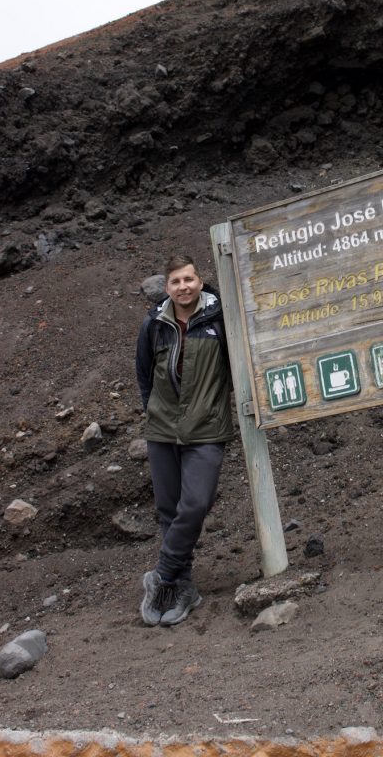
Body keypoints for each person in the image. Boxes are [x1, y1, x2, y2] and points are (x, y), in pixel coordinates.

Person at [135, 254, 232, 626]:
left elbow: (233, 364)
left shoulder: (218, 317)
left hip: (206, 428)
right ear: (167, 286)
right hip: (162, 430)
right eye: (176, 281)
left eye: (189, 279)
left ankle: (161, 576)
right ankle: (182, 587)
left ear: (200, 279)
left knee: (195, 503)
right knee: (168, 510)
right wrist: (154, 411)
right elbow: (144, 372)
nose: (184, 287)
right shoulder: (155, 322)